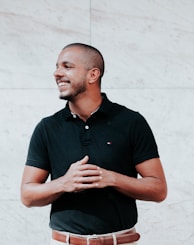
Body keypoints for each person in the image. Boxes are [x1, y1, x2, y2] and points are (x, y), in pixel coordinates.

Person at [20, 43, 167, 245]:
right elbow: (28, 195)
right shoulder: (47, 128)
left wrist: (111, 178)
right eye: (56, 66)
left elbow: (158, 189)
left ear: (93, 75)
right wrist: (64, 183)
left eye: (67, 66)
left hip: (121, 241)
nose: (57, 73)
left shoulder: (131, 122)